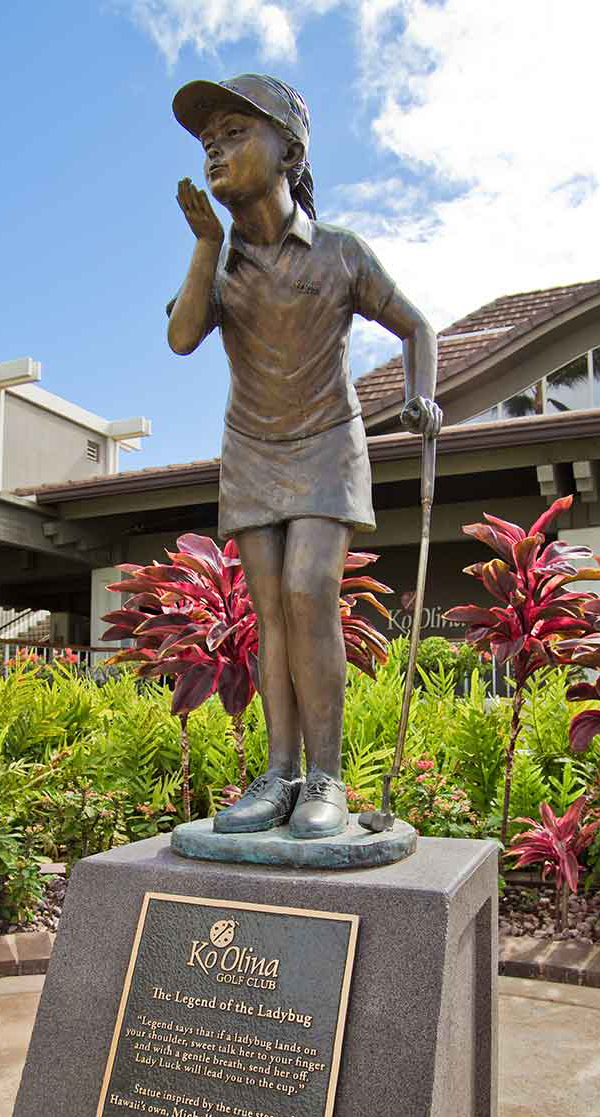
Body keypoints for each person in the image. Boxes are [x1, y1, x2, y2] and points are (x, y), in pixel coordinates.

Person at [168, 73, 440, 839]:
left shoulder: (341, 254)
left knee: (309, 587)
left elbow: (418, 328)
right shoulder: (219, 262)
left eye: (234, 133)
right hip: (251, 447)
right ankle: (280, 774)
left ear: (288, 150)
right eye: (208, 140)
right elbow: (183, 336)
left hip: (326, 441)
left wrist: (423, 395)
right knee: (269, 616)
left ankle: (328, 778)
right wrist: (204, 247)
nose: (216, 149)